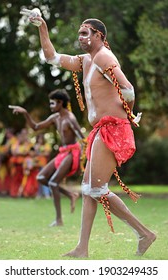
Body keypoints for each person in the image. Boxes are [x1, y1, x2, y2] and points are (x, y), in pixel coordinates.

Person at [21, 10, 156, 257]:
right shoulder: (85, 61)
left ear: (99, 35)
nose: (81, 38)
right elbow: (51, 57)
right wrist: (42, 26)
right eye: (80, 34)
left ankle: (144, 233)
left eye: (85, 34)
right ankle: (82, 248)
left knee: (96, 189)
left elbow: (128, 89)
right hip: (101, 129)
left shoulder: (104, 56)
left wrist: (128, 113)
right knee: (88, 189)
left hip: (113, 128)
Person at [9, 89, 85, 226]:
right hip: (63, 152)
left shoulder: (70, 118)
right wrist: (25, 113)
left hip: (73, 152)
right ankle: (71, 195)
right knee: (41, 178)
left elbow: (82, 139)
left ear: (60, 103)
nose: (50, 106)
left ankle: (59, 220)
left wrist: (81, 161)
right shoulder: (55, 118)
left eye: (52, 103)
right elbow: (36, 127)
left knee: (53, 183)